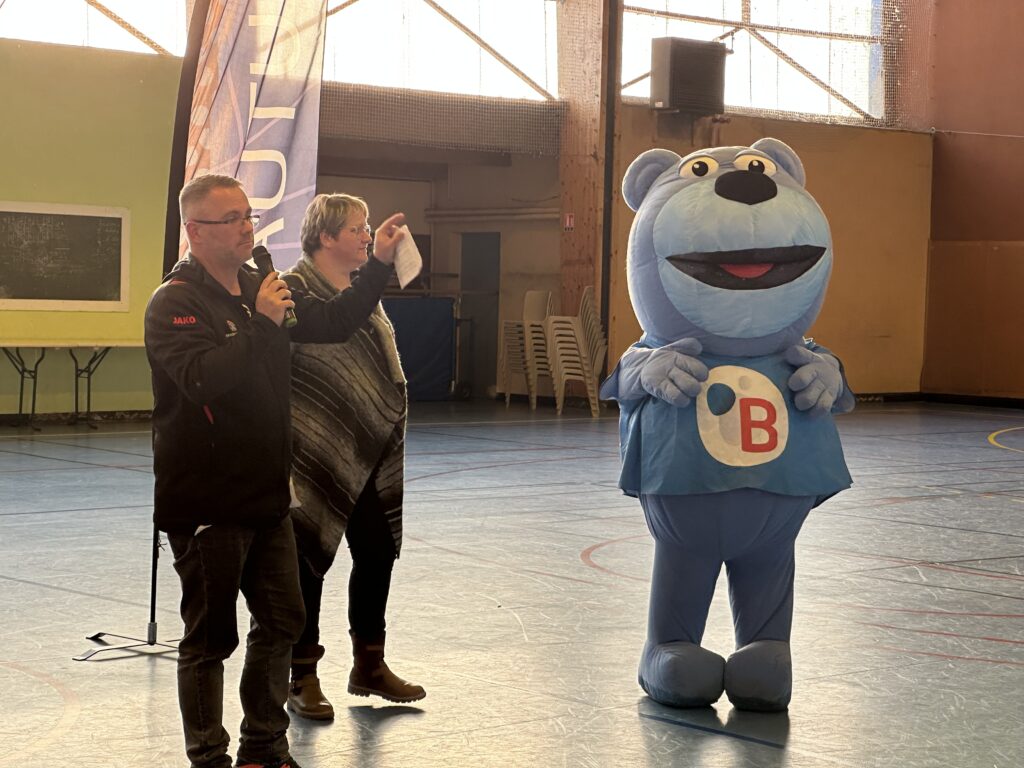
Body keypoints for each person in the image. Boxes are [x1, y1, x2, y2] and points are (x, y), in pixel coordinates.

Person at [144, 175, 405, 768]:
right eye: (231, 219)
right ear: (195, 231)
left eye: (248, 215)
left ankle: (263, 747)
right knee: (211, 639)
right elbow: (204, 380)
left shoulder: (259, 285)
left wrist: (378, 266)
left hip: (268, 495)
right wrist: (262, 324)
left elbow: (332, 323)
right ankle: (209, 756)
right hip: (208, 501)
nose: (246, 227)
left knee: (284, 619)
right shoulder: (175, 303)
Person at [280, 193, 425, 721]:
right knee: (309, 557)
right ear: (325, 237)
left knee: (377, 552)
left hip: (367, 449)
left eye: (367, 229)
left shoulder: (361, 291)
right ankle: (302, 675)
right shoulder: (294, 289)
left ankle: (369, 663)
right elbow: (331, 337)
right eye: (357, 230)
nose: (367, 237)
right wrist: (380, 266)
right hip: (313, 448)